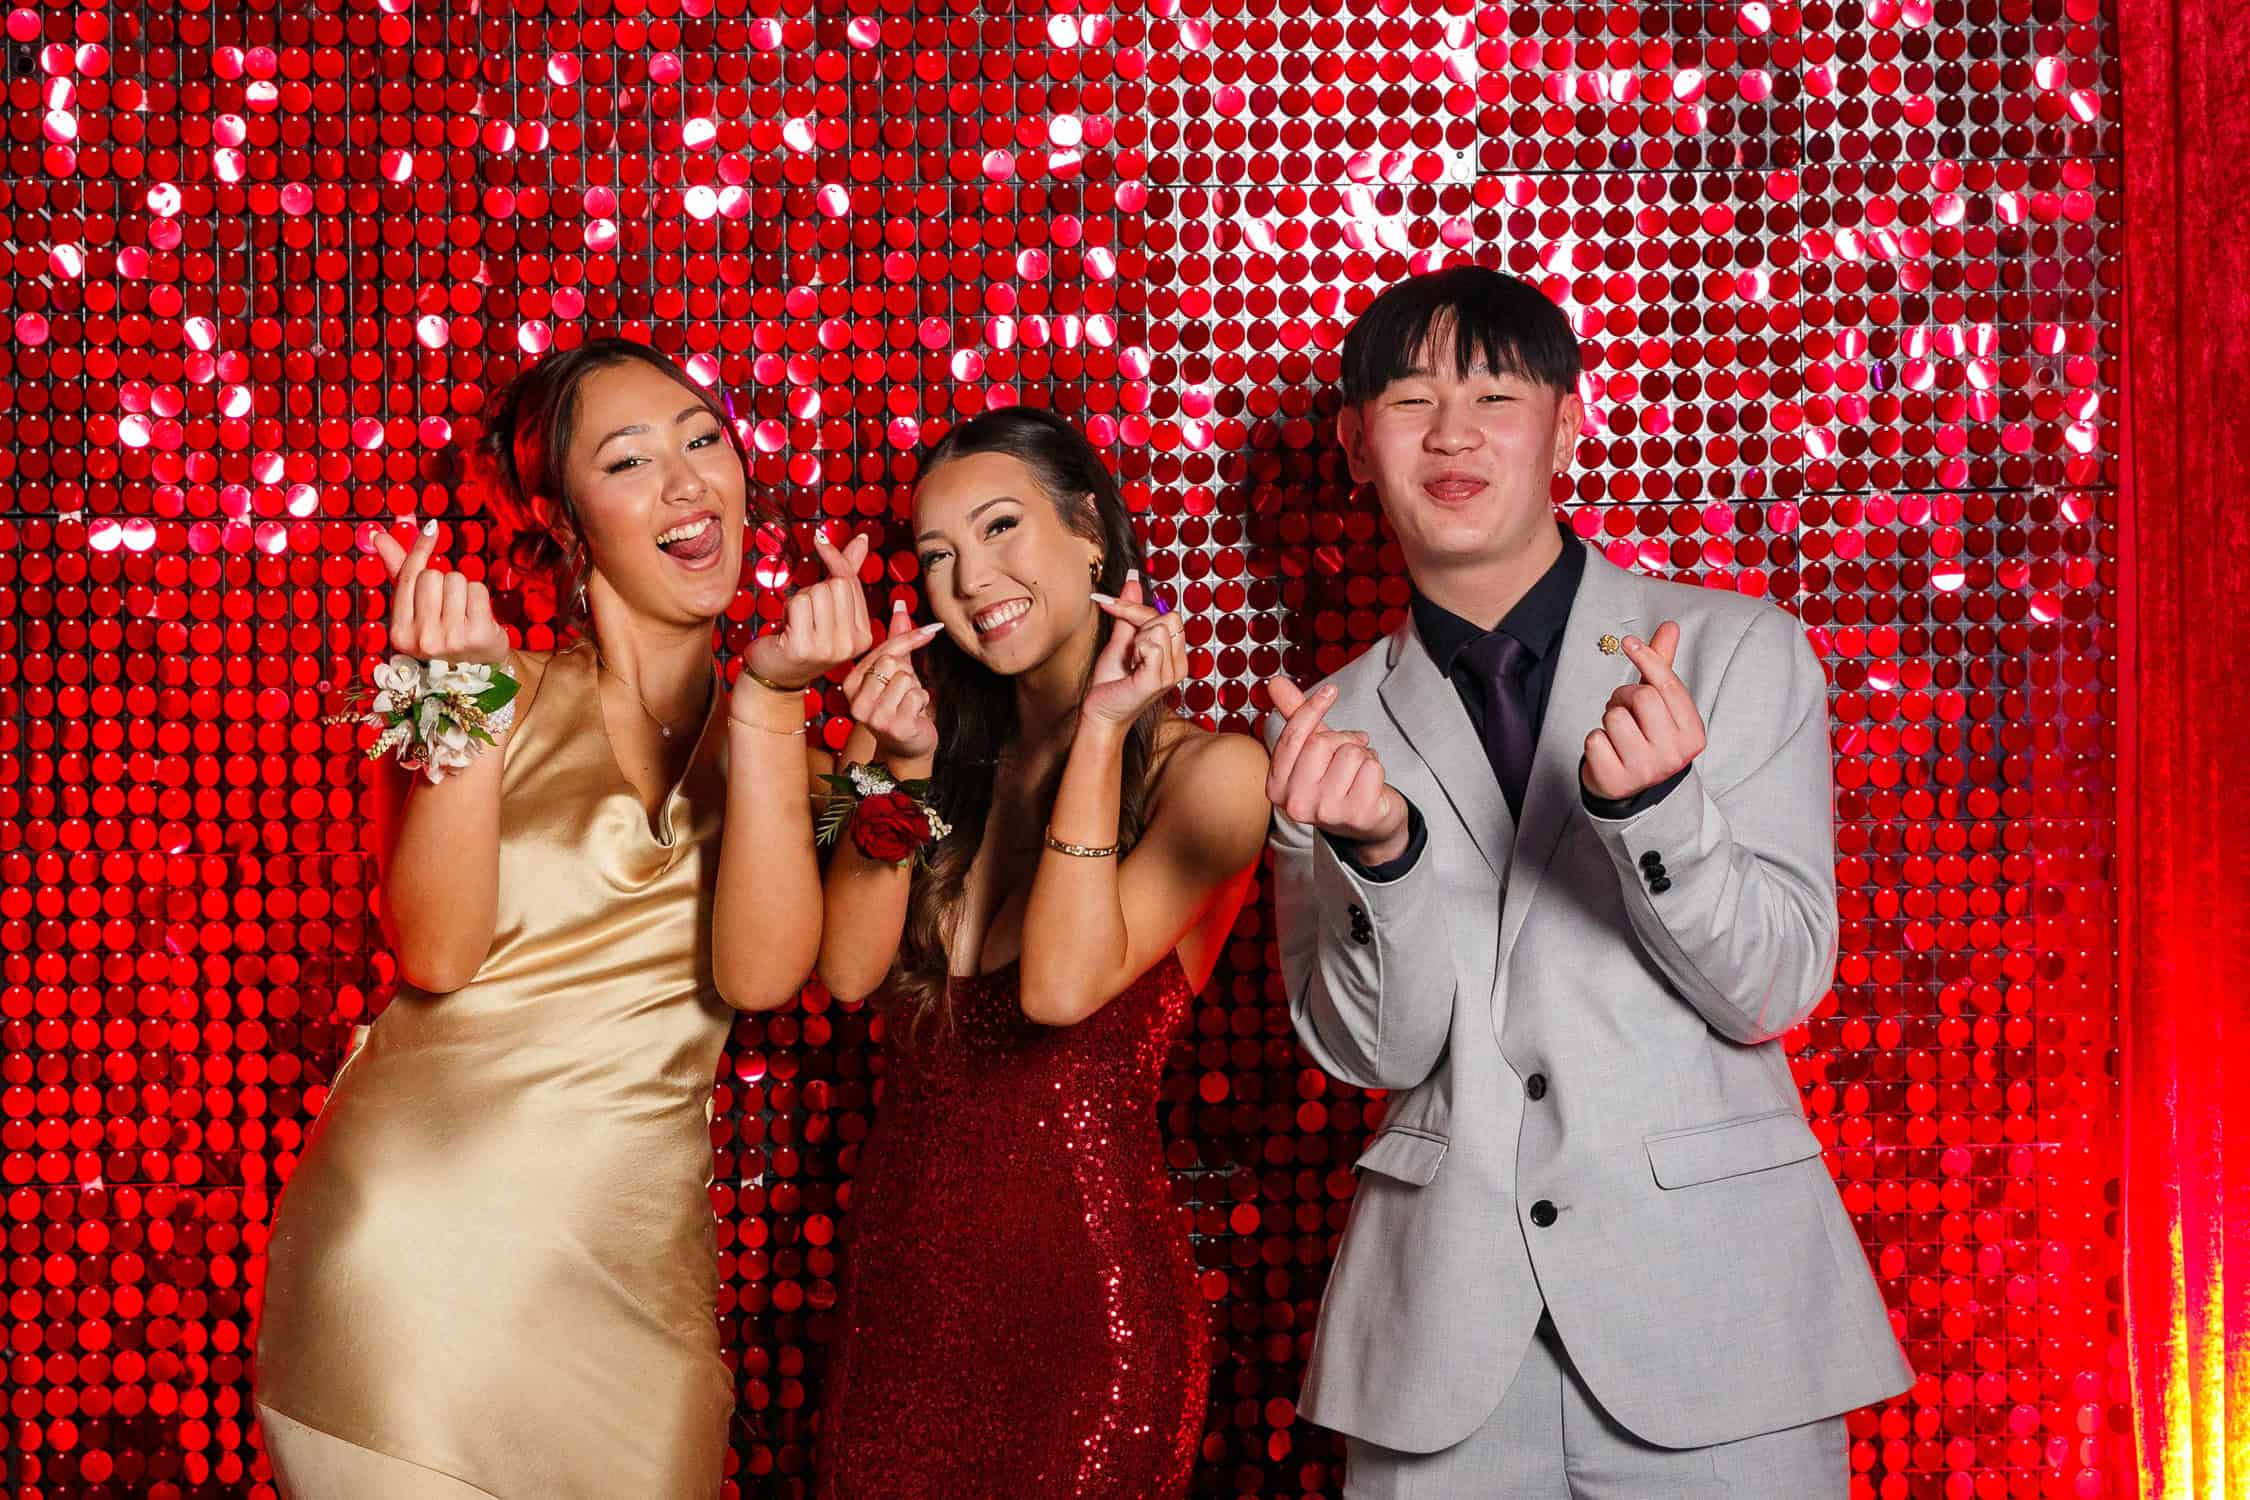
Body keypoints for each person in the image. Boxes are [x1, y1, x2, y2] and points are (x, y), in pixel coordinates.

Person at [1263, 266, 1913, 1497]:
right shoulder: (1323, 727)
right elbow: (1373, 1052)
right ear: (1354, 445)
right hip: (1443, 1351)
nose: (1452, 434)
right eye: (1408, 401)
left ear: (1568, 423)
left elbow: (1770, 985)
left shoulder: (1734, 652)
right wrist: (1381, 861)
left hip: (1718, 1328)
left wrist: (1660, 811)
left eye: (1496, 394)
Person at [254, 338, 872, 1499]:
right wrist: (473, 710)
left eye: (704, 439)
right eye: (632, 459)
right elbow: (435, 953)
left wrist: (775, 698)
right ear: (567, 520)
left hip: (636, 1298)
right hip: (409, 1276)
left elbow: (761, 976)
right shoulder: (482, 681)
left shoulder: (785, 741)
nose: (689, 481)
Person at [810, 406, 1269, 1499]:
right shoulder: (922, 757)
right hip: (901, 1310)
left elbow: (1061, 991)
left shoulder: (1214, 776)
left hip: (1085, 1326)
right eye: (937, 559)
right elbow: (848, 973)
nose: (972, 578)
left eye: (1003, 527)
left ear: (1093, 533)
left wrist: (1104, 729)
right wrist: (899, 769)